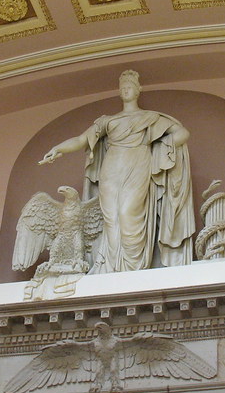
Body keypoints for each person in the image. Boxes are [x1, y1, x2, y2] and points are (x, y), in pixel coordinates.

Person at [40, 70, 195, 274]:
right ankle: (112, 268)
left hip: (138, 166)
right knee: (111, 219)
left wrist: (157, 148)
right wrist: (57, 149)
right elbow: (81, 140)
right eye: (122, 86)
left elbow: (182, 133)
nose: (126, 89)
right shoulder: (107, 121)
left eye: (130, 85)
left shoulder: (149, 117)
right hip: (111, 170)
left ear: (139, 90)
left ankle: (133, 269)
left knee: (128, 213)